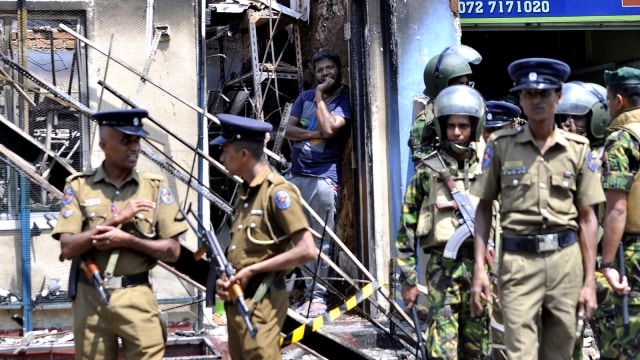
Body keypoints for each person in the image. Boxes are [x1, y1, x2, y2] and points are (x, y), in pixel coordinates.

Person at [470, 58, 604, 360]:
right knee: (519, 353)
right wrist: (480, 267)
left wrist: (588, 281)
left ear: (558, 98)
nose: (537, 100)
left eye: (544, 93)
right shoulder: (501, 146)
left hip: (565, 263)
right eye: (529, 94)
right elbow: (483, 208)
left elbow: (587, 219)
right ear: (520, 98)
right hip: (518, 263)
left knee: (560, 353)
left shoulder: (577, 150)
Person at [52, 109, 189, 360]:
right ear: (104, 145)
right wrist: (116, 220)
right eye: (125, 140)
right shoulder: (80, 186)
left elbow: (173, 251)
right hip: (91, 297)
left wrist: (128, 240)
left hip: (136, 295)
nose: (134, 148)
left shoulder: (154, 187)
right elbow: (68, 248)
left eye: (137, 140)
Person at [396, 84, 491, 359]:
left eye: (463, 125)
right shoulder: (428, 171)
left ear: (475, 126)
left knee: (480, 347)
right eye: (451, 126)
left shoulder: (489, 168)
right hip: (443, 270)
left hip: (482, 269)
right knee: (442, 350)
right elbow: (406, 228)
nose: (457, 132)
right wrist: (408, 280)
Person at [212, 114, 316, 359]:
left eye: (225, 150)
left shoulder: (277, 193)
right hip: (239, 299)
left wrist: (250, 271)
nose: (221, 157)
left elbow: (306, 250)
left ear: (244, 154)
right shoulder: (246, 194)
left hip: (263, 300)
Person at [284, 49, 351, 318]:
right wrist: (314, 133)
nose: (325, 74)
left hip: (323, 179)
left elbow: (331, 129)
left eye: (329, 69)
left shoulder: (344, 99)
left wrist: (321, 96)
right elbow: (288, 130)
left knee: (319, 240)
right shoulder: (303, 97)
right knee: (288, 235)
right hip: (295, 176)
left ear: (338, 70)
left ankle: (317, 298)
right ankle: (287, 290)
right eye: (320, 70)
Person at [555, 81, 616, 359]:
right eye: (563, 117)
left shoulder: (607, 157)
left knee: (615, 343)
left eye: (577, 116)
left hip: (601, 267)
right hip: (564, 266)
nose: (569, 124)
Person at [599, 66, 640, 358]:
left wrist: (608, 262)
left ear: (619, 101)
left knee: (629, 341)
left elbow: (617, 208)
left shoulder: (621, 140)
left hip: (633, 253)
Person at [481, 100, 521, 360]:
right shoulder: (480, 161)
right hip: (492, 263)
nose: (492, 138)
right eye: (487, 132)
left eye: (499, 131)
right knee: (498, 331)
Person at [408, 45, 481, 168]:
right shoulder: (425, 123)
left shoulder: (473, 114)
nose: (466, 88)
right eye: (461, 84)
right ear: (442, 86)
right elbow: (423, 168)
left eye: (466, 83)